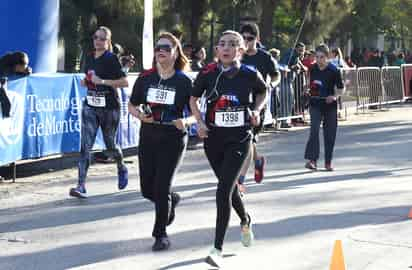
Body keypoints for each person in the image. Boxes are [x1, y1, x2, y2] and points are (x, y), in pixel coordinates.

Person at [190, 30, 267, 268]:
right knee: (229, 188)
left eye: (233, 44)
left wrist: (256, 110)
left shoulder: (249, 73)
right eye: (222, 44)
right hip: (213, 139)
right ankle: (245, 219)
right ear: (216, 50)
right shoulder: (208, 73)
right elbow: (193, 98)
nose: (226, 48)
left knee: (222, 191)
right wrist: (200, 122)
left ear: (241, 50)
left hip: (240, 138)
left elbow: (264, 91)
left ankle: (217, 249)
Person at [128, 32, 195, 251]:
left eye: (166, 47)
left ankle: (160, 234)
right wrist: (140, 115)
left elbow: (197, 113)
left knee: (161, 186)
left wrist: (185, 121)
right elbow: (132, 105)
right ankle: (171, 200)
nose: (160, 51)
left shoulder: (184, 81)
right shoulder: (146, 77)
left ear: (175, 52)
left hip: (173, 138)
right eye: (158, 47)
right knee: (148, 190)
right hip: (148, 136)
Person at [69, 26, 129, 198]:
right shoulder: (89, 57)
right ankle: (81, 185)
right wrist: (86, 82)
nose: (98, 41)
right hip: (90, 105)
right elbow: (90, 78)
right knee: (85, 146)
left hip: (109, 107)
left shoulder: (111, 59)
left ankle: (121, 166)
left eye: (102, 38)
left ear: (108, 41)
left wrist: (102, 81)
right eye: (96, 37)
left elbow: (124, 82)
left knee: (110, 146)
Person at [238, 23, 280, 192]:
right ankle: (258, 160)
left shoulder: (264, 57)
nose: (247, 41)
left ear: (257, 39)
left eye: (250, 38)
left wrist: (271, 85)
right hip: (239, 101)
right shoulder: (237, 56)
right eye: (244, 38)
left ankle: (240, 179)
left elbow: (276, 76)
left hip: (258, 103)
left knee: (248, 139)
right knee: (247, 139)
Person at [304, 44, 344, 171]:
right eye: (317, 57)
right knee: (314, 130)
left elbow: (341, 88)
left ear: (327, 57)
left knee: (330, 133)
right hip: (315, 103)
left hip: (329, 105)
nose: (319, 60)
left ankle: (328, 162)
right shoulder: (312, 68)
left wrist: (334, 96)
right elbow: (309, 82)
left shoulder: (334, 70)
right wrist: (307, 89)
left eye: (321, 57)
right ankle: (312, 160)